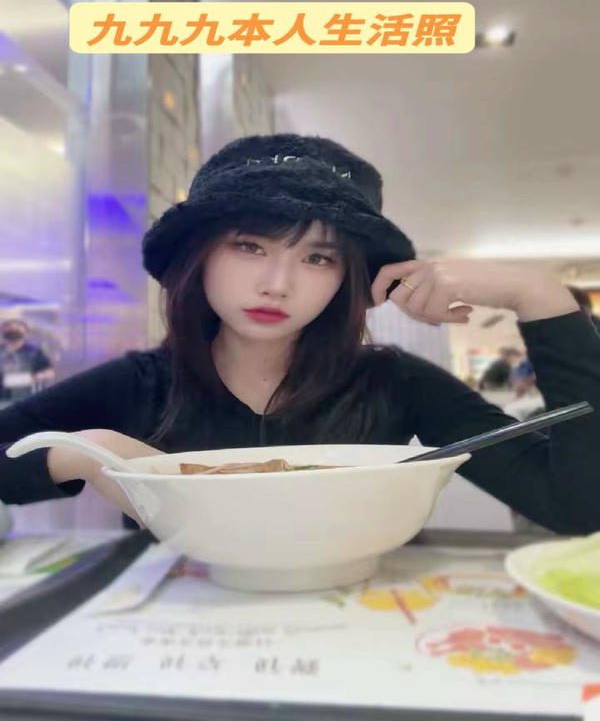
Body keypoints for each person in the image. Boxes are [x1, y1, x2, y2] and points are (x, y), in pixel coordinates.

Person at [1, 133, 600, 535]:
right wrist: (88, 450)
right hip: (180, 649)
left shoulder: (393, 382)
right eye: (249, 246)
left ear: (348, 277)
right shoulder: (141, 384)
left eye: (318, 257)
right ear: (199, 256)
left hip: (364, 638)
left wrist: (540, 296)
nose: (277, 284)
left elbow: (576, 506)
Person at [0, 319, 55, 403]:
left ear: (25, 331)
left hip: (29, 399)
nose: (13, 328)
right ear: (2, 330)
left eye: (18, 327)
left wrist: (30, 378)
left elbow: (49, 373)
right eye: (9, 326)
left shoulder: (34, 351)